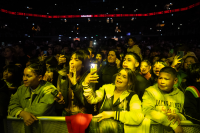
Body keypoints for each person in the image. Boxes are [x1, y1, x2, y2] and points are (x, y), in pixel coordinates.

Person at [83, 68, 144, 133]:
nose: (119, 77)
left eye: (124, 77)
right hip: (100, 129)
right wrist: (86, 84)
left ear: (129, 82)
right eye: (119, 75)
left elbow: (138, 117)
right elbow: (92, 99)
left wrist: (113, 114)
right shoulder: (106, 88)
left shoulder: (132, 96)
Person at [142, 67, 186, 133]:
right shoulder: (150, 91)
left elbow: (185, 114)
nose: (162, 82)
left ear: (175, 81)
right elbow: (147, 111)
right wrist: (172, 124)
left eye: (166, 79)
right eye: (160, 78)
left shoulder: (180, 94)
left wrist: (178, 116)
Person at [56, 50, 95, 116]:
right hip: (66, 112)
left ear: (83, 64)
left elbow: (87, 102)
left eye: (76, 60)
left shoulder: (88, 78)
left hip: (81, 114)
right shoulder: (63, 76)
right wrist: (58, 100)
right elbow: (58, 94)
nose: (72, 62)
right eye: (71, 59)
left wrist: (75, 84)